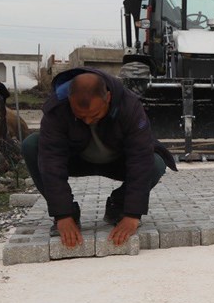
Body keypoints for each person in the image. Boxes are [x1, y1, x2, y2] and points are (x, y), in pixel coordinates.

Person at [21, 68, 176, 248]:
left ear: (107, 98)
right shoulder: (57, 107)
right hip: (76, 160)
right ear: (70, 100)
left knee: (154, 163)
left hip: (117, 162)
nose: (88, 121)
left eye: (94, 115)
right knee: (31, 146)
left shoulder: (129, 105)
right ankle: (71, 213)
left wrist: (132, 214)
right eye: (81, 116)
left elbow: (140, 158)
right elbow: (51, 161)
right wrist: (63, 215)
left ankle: (117, 206)